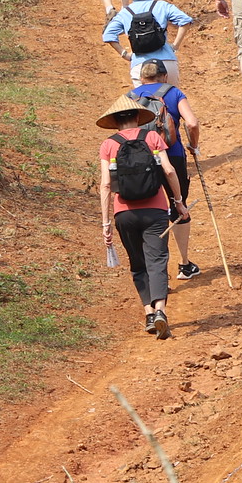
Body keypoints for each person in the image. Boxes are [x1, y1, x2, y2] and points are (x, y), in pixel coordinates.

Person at [96, 92, 188, 338]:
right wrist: (178, 202)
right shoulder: (152, 137)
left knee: (138, 264)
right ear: (138, 116)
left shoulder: (109, 144)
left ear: (115, 121)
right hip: (155, 209)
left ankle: (148, 312)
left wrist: (106, 223)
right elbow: (168, 171)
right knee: (157, 260)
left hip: (123, 213)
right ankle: (160, 311)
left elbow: (106, 185)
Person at [131, 58, 203, 281]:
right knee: (178, 207)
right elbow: (191, 123)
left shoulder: (130, 97)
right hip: (172, 156)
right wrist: (194, 145)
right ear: (164, 76)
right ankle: (184, 264)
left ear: (142, 78)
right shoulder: (173, 92)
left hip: (141, 160)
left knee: (149, 210)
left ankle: (156, 271)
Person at [102, 0, 193, 87]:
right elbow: (185, 21)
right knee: (171, 100)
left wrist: (124, 54)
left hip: (140, 65)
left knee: (145, 103)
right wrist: (175, 46)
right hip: (167, 62)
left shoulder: (125, 13)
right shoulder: (162, 6)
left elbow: (108, 35)